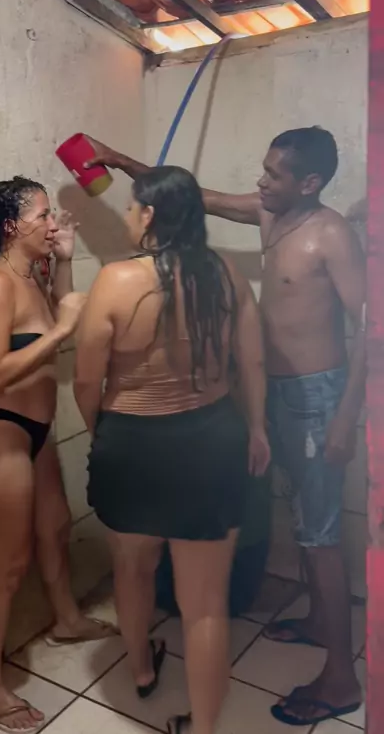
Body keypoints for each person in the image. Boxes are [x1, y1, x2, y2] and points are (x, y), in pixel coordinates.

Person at [86, 127, 366, 727]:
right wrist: (116, 158)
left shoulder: (331, 235)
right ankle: (319, 621)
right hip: (274, 395)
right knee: (302, 519)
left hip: (318, 397)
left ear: (310, 183)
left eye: (273, 174)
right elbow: (196, 196)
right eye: (263, 170)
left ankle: (342, 677)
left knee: (319, 533)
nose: (260, 182)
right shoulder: (271, 214)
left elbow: (373, 324)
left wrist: (348, 415)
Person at [73, 166, 270, 734]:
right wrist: (258, 430)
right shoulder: (226, 274)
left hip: (132, 446)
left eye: (132, 207)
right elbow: (252, 362)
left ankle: (141, 671)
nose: (128, 216)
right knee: (205, 604)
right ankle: (203, 727)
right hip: (211, 443)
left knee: (132, 571)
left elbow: (86, 381)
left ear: (151, 214)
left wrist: (102, 432)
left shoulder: (114, 280)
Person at [0, 176, 116, 733]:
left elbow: (56, 318)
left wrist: (64, 262)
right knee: (8, 567)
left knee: (56, 526)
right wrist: (64, 327)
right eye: (43, 215)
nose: (53, 224)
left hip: (35, 433)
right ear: (10, 227)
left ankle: (66, 618)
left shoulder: (31, 276)